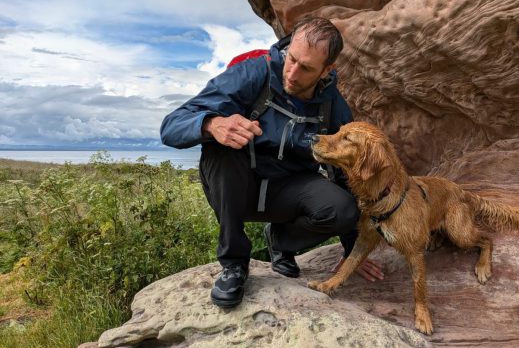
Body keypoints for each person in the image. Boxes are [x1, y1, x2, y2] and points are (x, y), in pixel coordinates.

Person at [160, 16, 383, 308]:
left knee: (343, 208)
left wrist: (352, 247)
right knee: (221, 148)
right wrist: (211, 124)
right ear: (288, 46)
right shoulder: (253, 74)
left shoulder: (333, 106)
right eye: (291, 59)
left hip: (289, 191)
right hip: (237, 187)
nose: (292, 73)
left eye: (306, 68)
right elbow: (171, 126)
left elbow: (347, 174)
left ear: (327, 70)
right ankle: (234, 265)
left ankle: (280, 242)